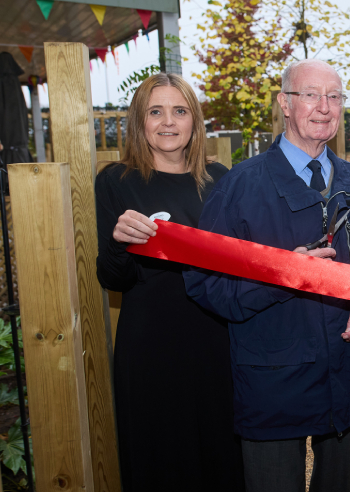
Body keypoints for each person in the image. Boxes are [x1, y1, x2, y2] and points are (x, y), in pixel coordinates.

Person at [183, 59, 350, 492]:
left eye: (334, 96)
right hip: (272, 383)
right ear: (285, 104)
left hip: (342, 377)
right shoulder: (239, 187)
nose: (324, 107)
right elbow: (204, 283)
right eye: (310, 95)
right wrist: (283, 276)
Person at [95, 73, 243, 491]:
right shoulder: (116, 181)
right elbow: (113, 278)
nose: (168, 122)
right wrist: (119, 243)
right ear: (139, 121)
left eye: (179, 111)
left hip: (216, 341)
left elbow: (241, 260)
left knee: (221, 456)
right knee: (160, 460)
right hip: (150, 350)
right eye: (154, 111)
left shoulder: (219, 178)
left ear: (194, 120)